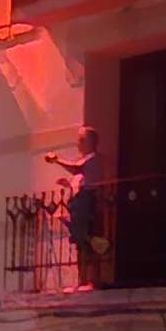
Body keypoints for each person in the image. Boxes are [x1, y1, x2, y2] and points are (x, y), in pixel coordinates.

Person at [44, 124, 105, 289]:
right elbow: (80, 178)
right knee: (80, 240)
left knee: (88, 240)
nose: (78, 144)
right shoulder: (85, 162)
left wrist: (56, 160)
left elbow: (78, 169)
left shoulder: (94, 159)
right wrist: (68, 184)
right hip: (80, 204)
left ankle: (92, 280)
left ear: (90, 141)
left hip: (88, 205)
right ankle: (82, 279)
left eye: (81, 140)